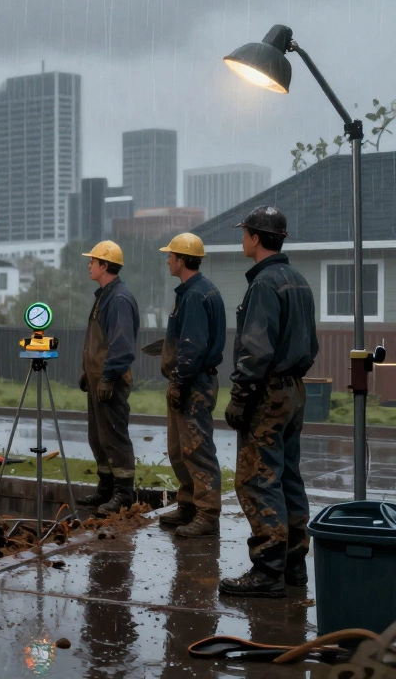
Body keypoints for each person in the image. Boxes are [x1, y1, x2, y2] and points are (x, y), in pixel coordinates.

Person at [220, 205, 317, 598]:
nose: (242, 239)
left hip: (267, 391)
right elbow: (310, 345)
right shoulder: (298, 280)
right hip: (294, 389)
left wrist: (241, 395)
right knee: (288, 476)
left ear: (256, 238)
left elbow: (255, 349)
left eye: (245, 233)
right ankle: (294, 566)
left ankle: (267, 570)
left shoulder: (263, 285)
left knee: (258, 479)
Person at [157, 233, 226, 538]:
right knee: (179, 449)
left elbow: (192, 346)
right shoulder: (189, 292)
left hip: (193, 383)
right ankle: (187, 504)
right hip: (185, 380)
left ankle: (207, 513)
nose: (168, 260)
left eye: (171, 256)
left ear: (182, 260)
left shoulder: (198, 295)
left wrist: (180, 381)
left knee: (197, 449)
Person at [76, 240, 140, 517]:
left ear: (104, 265)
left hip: (110, 382)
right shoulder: (104, 295)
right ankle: (106, 487)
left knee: (114, 436)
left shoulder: (118, 298)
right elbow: (100, 345)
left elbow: (121, 345)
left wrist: (107, 377)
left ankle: (124, 493)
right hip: (99, 380)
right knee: (98, 436)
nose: (89, 265)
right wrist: (89, 373)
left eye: (93, 261)